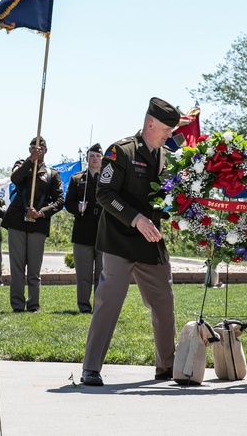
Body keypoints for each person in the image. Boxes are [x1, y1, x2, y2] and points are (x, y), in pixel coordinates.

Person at [81, 98, 181, 386]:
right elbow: (104, 194)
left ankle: (167, 366)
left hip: (150, 240)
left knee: (164, 302)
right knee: (108, 302)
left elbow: (161, 199)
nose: (169, 135)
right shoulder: (121, 151)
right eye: (165, 130)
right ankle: (91, 368)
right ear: (150, 124)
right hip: (119, 239)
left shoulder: (165, 156)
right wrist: (136, 218)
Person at [2, 136, 64, 313]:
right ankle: (17, 305)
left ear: (46, 150)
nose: (37, 150)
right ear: (29, 150)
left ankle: (33, 305)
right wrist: (31, 161)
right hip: (17, 221)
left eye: (40, 148)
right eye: (33, 148)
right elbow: (15, 178)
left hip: (38, 224)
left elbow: (60, 201)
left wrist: (41, 213)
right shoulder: (21, 164)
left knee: (34, 269)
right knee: (17, 267)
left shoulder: (52, 174)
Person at [64, 143, 104, 313]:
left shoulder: (109, 179)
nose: (94, 159)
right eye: (91, 156)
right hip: (83, 232)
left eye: (97, 156)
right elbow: (68, 203)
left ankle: (100, 306)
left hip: (103, 232)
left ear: (102, 158)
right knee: (84, 275)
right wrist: (77, 207)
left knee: (102, 275)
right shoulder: (77, 179)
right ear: (87, 159)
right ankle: (83, 306)